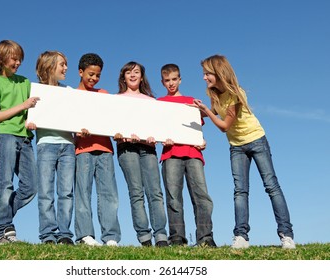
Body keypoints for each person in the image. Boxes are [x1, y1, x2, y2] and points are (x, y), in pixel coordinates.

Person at [193, 54, 295, 249]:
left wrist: (205, 110)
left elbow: (224, 126)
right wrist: (191, 110)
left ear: (218, 72)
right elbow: (212, 113)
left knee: (271, 186)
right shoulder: (213, 94)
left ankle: (286, 235)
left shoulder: (236, 94)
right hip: (237, 146)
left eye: (207, 73)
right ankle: (241, 237)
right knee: (240, 191)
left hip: (256, 140)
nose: (204, 77)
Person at [0, 40, 39, 244]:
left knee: (31, 187)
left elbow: (35, 108)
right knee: (5, 185)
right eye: (14, 58)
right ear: (1, 58)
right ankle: (2, 231)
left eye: (20, 58)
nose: (18, 62)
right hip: (5, 137)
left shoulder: (25, 82)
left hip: (25, 139)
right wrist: (23, 106)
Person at [157, 63, 216, 247]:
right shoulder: (159, 103)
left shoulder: (191, 103)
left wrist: (202, 141)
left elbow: (196, 130)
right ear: (162, 82)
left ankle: (205, 237)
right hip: (170, 154)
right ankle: (177, 237)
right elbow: (156, 128)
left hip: (193, 153)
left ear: (180, 79)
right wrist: (161, 139)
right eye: (167, 80)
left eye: (174, 79)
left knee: (202, 197)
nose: (171, 83)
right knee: (174, 197)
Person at [114, 61, 168, 247]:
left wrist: (156, 137)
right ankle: (144, 237)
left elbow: (158, 126)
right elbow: (113, 126)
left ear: (142, 76)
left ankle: (161, 235)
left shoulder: (151, 101)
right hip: (127, 148)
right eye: (128, 72)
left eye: (136, 72)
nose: (133, 75)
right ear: (124, 77)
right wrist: (120, 134)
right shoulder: (116, 100)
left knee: (155, 192)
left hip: (148, 149)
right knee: (136, 192)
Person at [74, 53, 121, 246]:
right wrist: (77, 130)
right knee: (83, 192)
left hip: (105, 148)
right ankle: (85, 235)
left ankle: (110, 237)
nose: (94, 78)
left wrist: (118, 131)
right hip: (83, 149)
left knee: (108, 193)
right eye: (90, 74)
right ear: (81, 72)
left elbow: (113, 119)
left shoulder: (104, 95)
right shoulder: (72, 96)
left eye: (98, 75)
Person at [29, 51, 76, 245]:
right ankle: (48, 234)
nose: (66, 68)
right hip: (46, 144)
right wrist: (30, 121)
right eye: (62, 64)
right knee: (46, 192)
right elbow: (30, 115)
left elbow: (78, 115)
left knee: (66, 192)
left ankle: (64, 233)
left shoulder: (69, 92)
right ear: (49, 67)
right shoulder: (36, 92)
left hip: (67, 145)